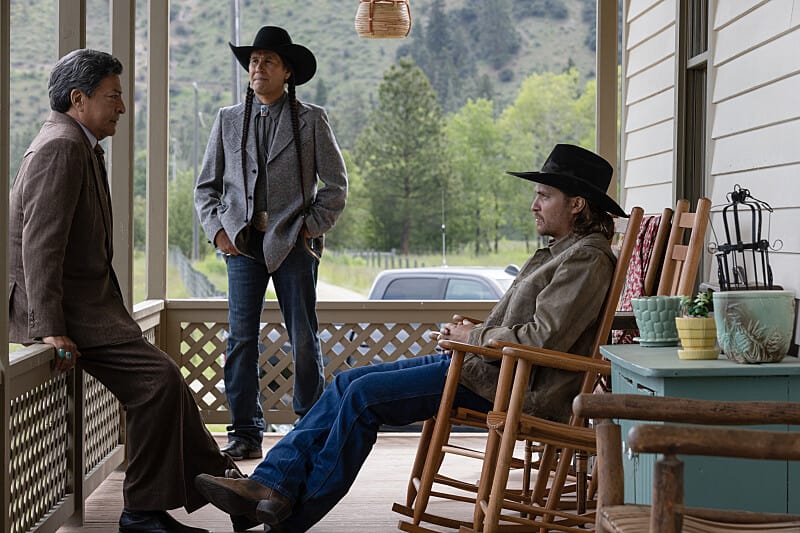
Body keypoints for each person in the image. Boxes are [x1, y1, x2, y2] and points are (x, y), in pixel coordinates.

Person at [194, 144, 628, 532]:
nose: (534, 205)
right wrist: (469, 336)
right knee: (348, 381)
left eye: (544, 195)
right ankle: (270, 486)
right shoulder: (562, 251)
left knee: (364, 398)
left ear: (576, 204)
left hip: (513, 386)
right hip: (485, 366)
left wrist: (473, 333)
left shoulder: (586, 260)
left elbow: (543, 340)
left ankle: (288, 514)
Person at [8, 49, 250, 533]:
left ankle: (233, 490)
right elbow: (41, 244)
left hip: (87, 308)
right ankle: (150, 510)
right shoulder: (61, 146)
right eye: (113, 96)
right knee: (159, 384)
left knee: (168, 385)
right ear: (79, 99)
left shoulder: (75, 142)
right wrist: (49, 328)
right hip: (70, 313)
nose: (121, 107)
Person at [194, 26, 348, 461]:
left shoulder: (310, 119)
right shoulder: (227, 120)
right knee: (240, 338)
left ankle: (310, 428)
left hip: (293, 244)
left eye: (268, 62)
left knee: (303, 336)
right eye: (254, 62)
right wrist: (219, 233)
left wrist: (310, 227)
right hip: (241, 244)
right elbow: (206, 187)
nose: (258, 68)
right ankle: (244, 431)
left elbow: (336, 185)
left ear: (288, 74)